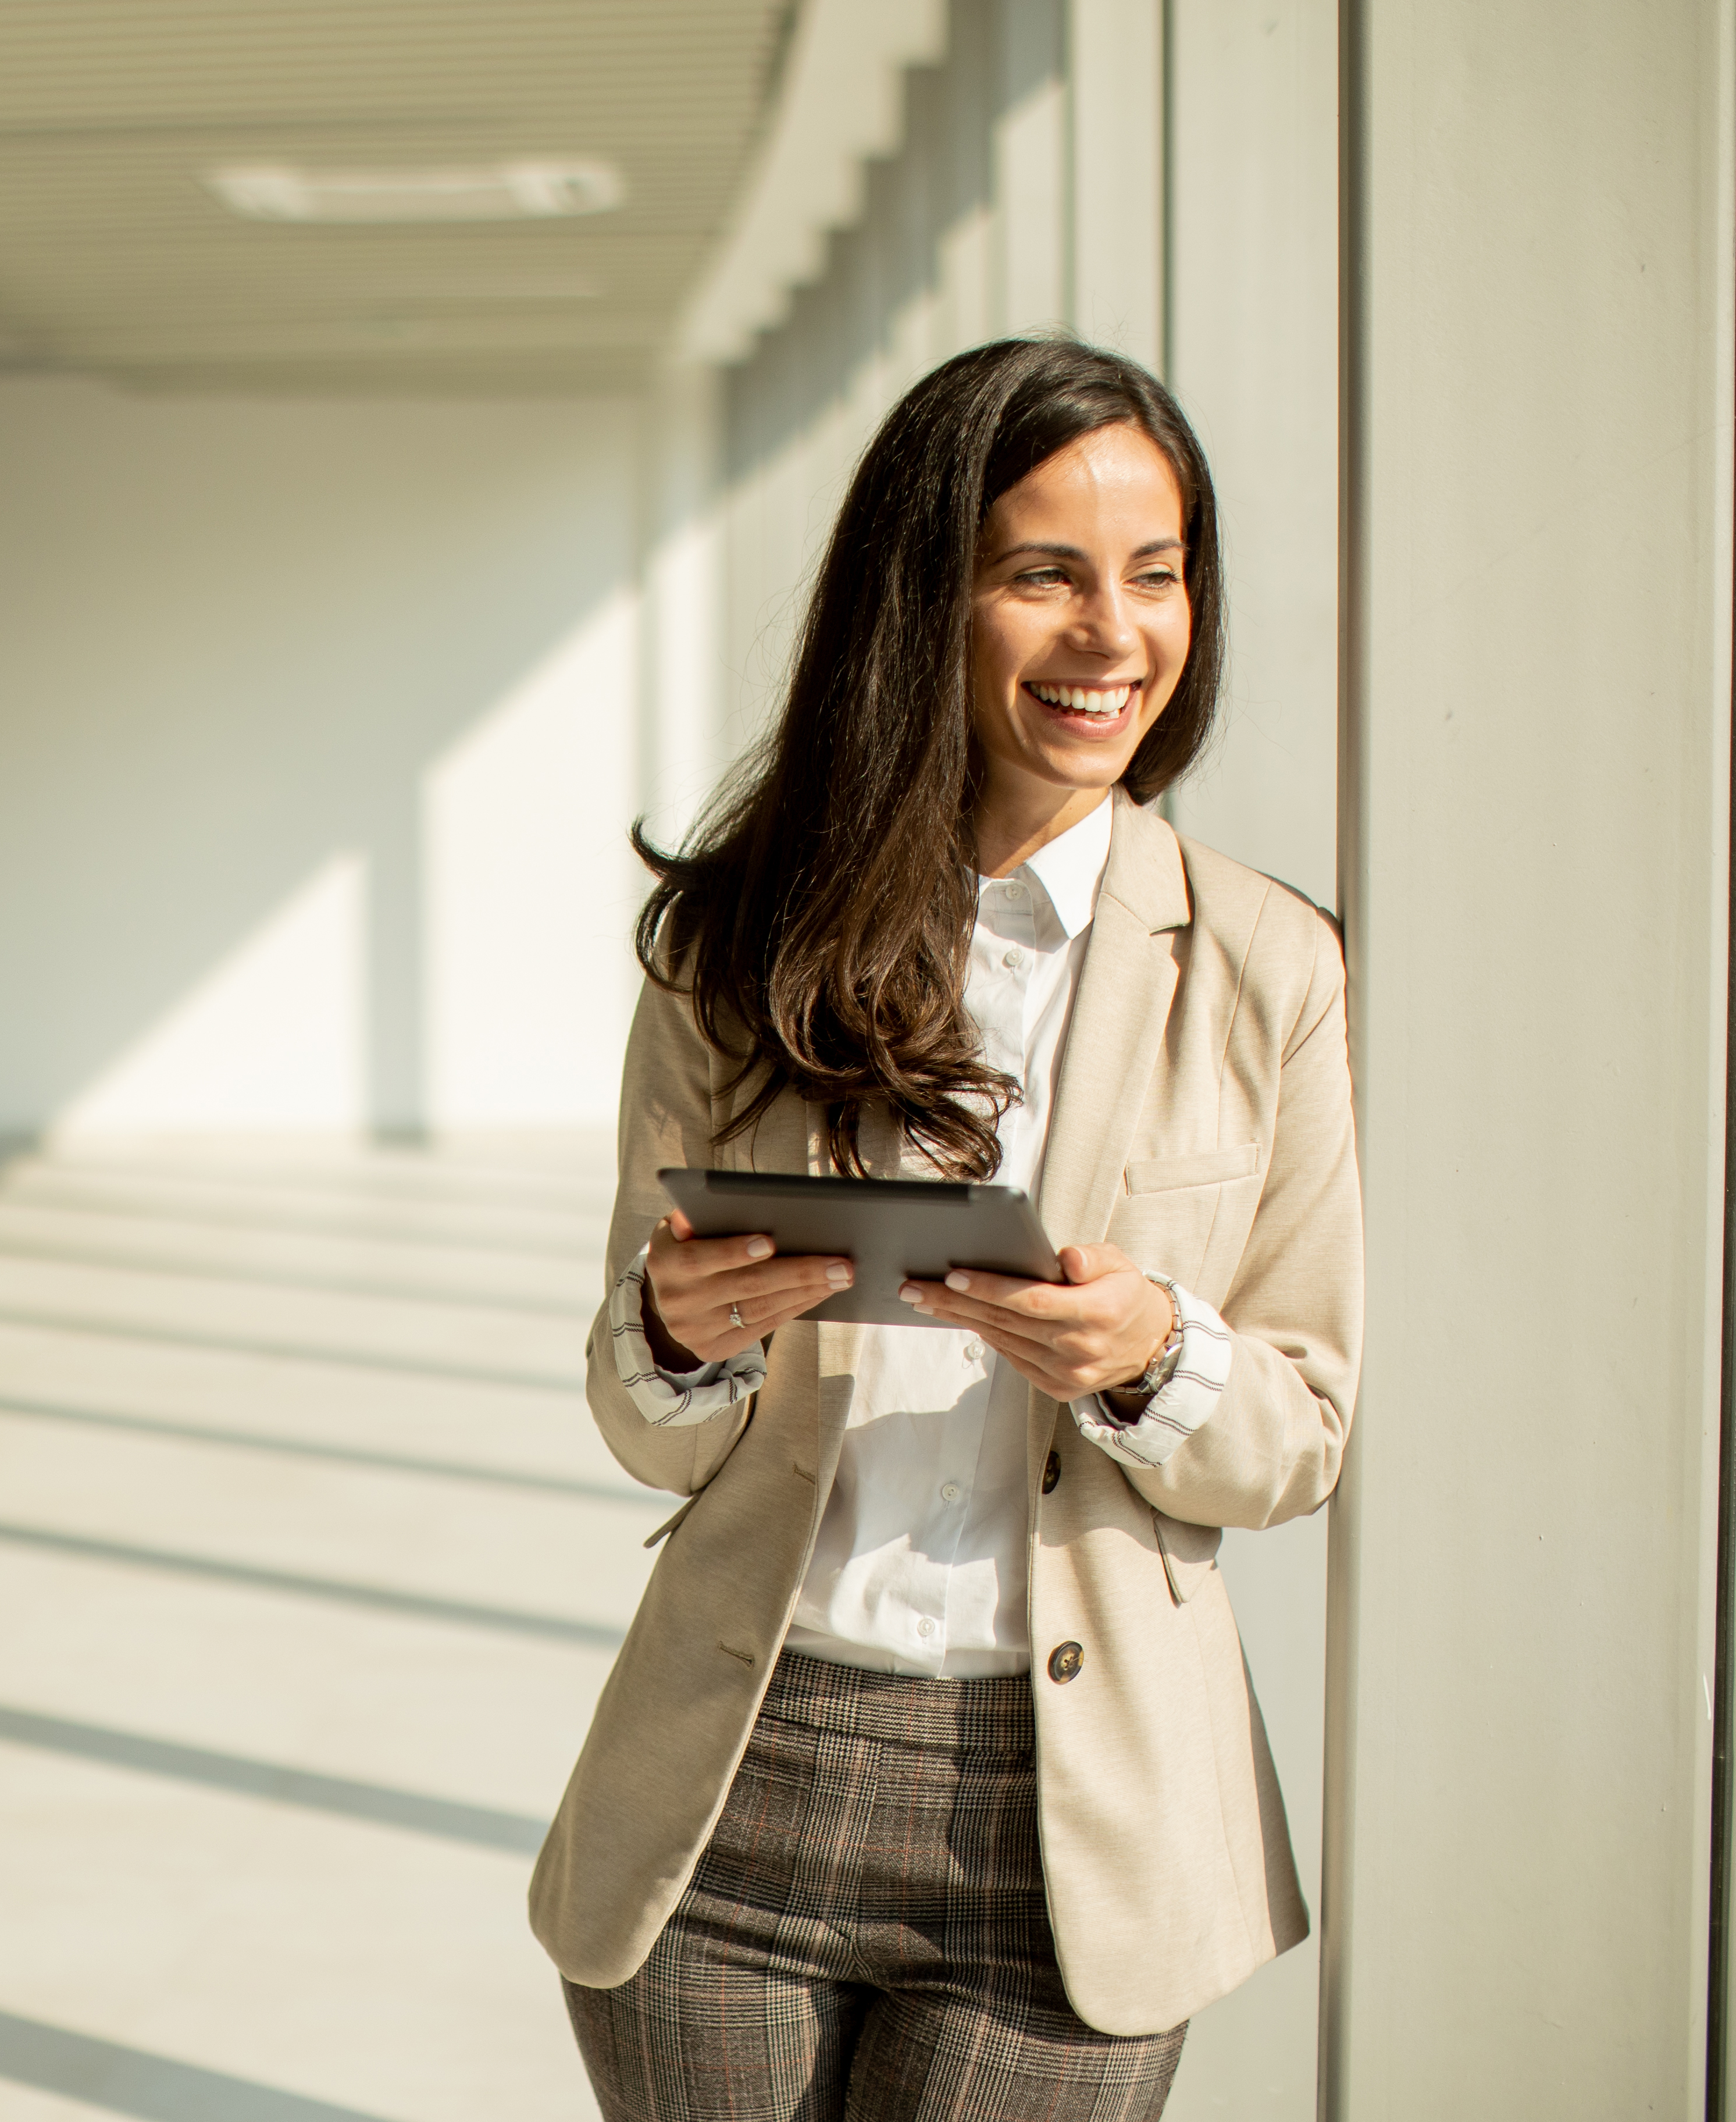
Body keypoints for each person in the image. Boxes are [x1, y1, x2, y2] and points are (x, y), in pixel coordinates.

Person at [529, 336, 1360, 2122]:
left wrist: (1153, 1359)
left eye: (1156, 575)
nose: (1113, 634)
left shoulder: (1269, 966)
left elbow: (1302, 1435)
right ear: (929, 601)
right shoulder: (732, 946)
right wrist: (680, 1334)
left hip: (1081, 1826)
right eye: (1042, 573)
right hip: (734, 1788)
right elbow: (637, 1427)